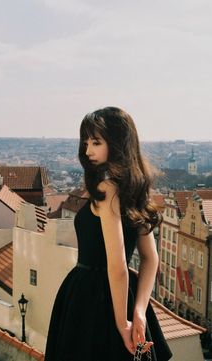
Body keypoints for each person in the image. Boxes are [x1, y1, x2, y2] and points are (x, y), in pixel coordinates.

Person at [45, 107, 172, 361]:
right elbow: (150, 258)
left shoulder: (107, 188)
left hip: (92, 298)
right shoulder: (134, 189)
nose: (87, 150)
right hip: (124, 296)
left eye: (96, 142)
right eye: (85, 142)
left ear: (116, 143)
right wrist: (138, 310)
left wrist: (122, 324)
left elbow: (118, 265)